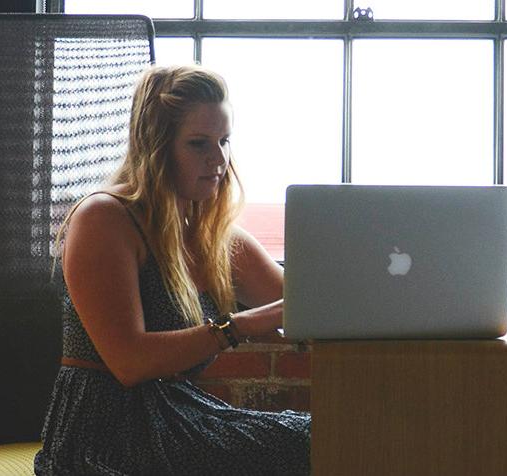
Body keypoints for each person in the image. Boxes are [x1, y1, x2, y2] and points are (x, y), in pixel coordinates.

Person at [34, 65, 310, 475]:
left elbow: (309, 303)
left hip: (177, 419)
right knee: (306, 448)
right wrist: (241, 325)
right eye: (199, 143)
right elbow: (129, 362)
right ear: (156, 148)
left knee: (324, 436)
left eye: (224, 141)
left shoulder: (212, 237)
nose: (218, 159)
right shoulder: (104, 218)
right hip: (103, 436)